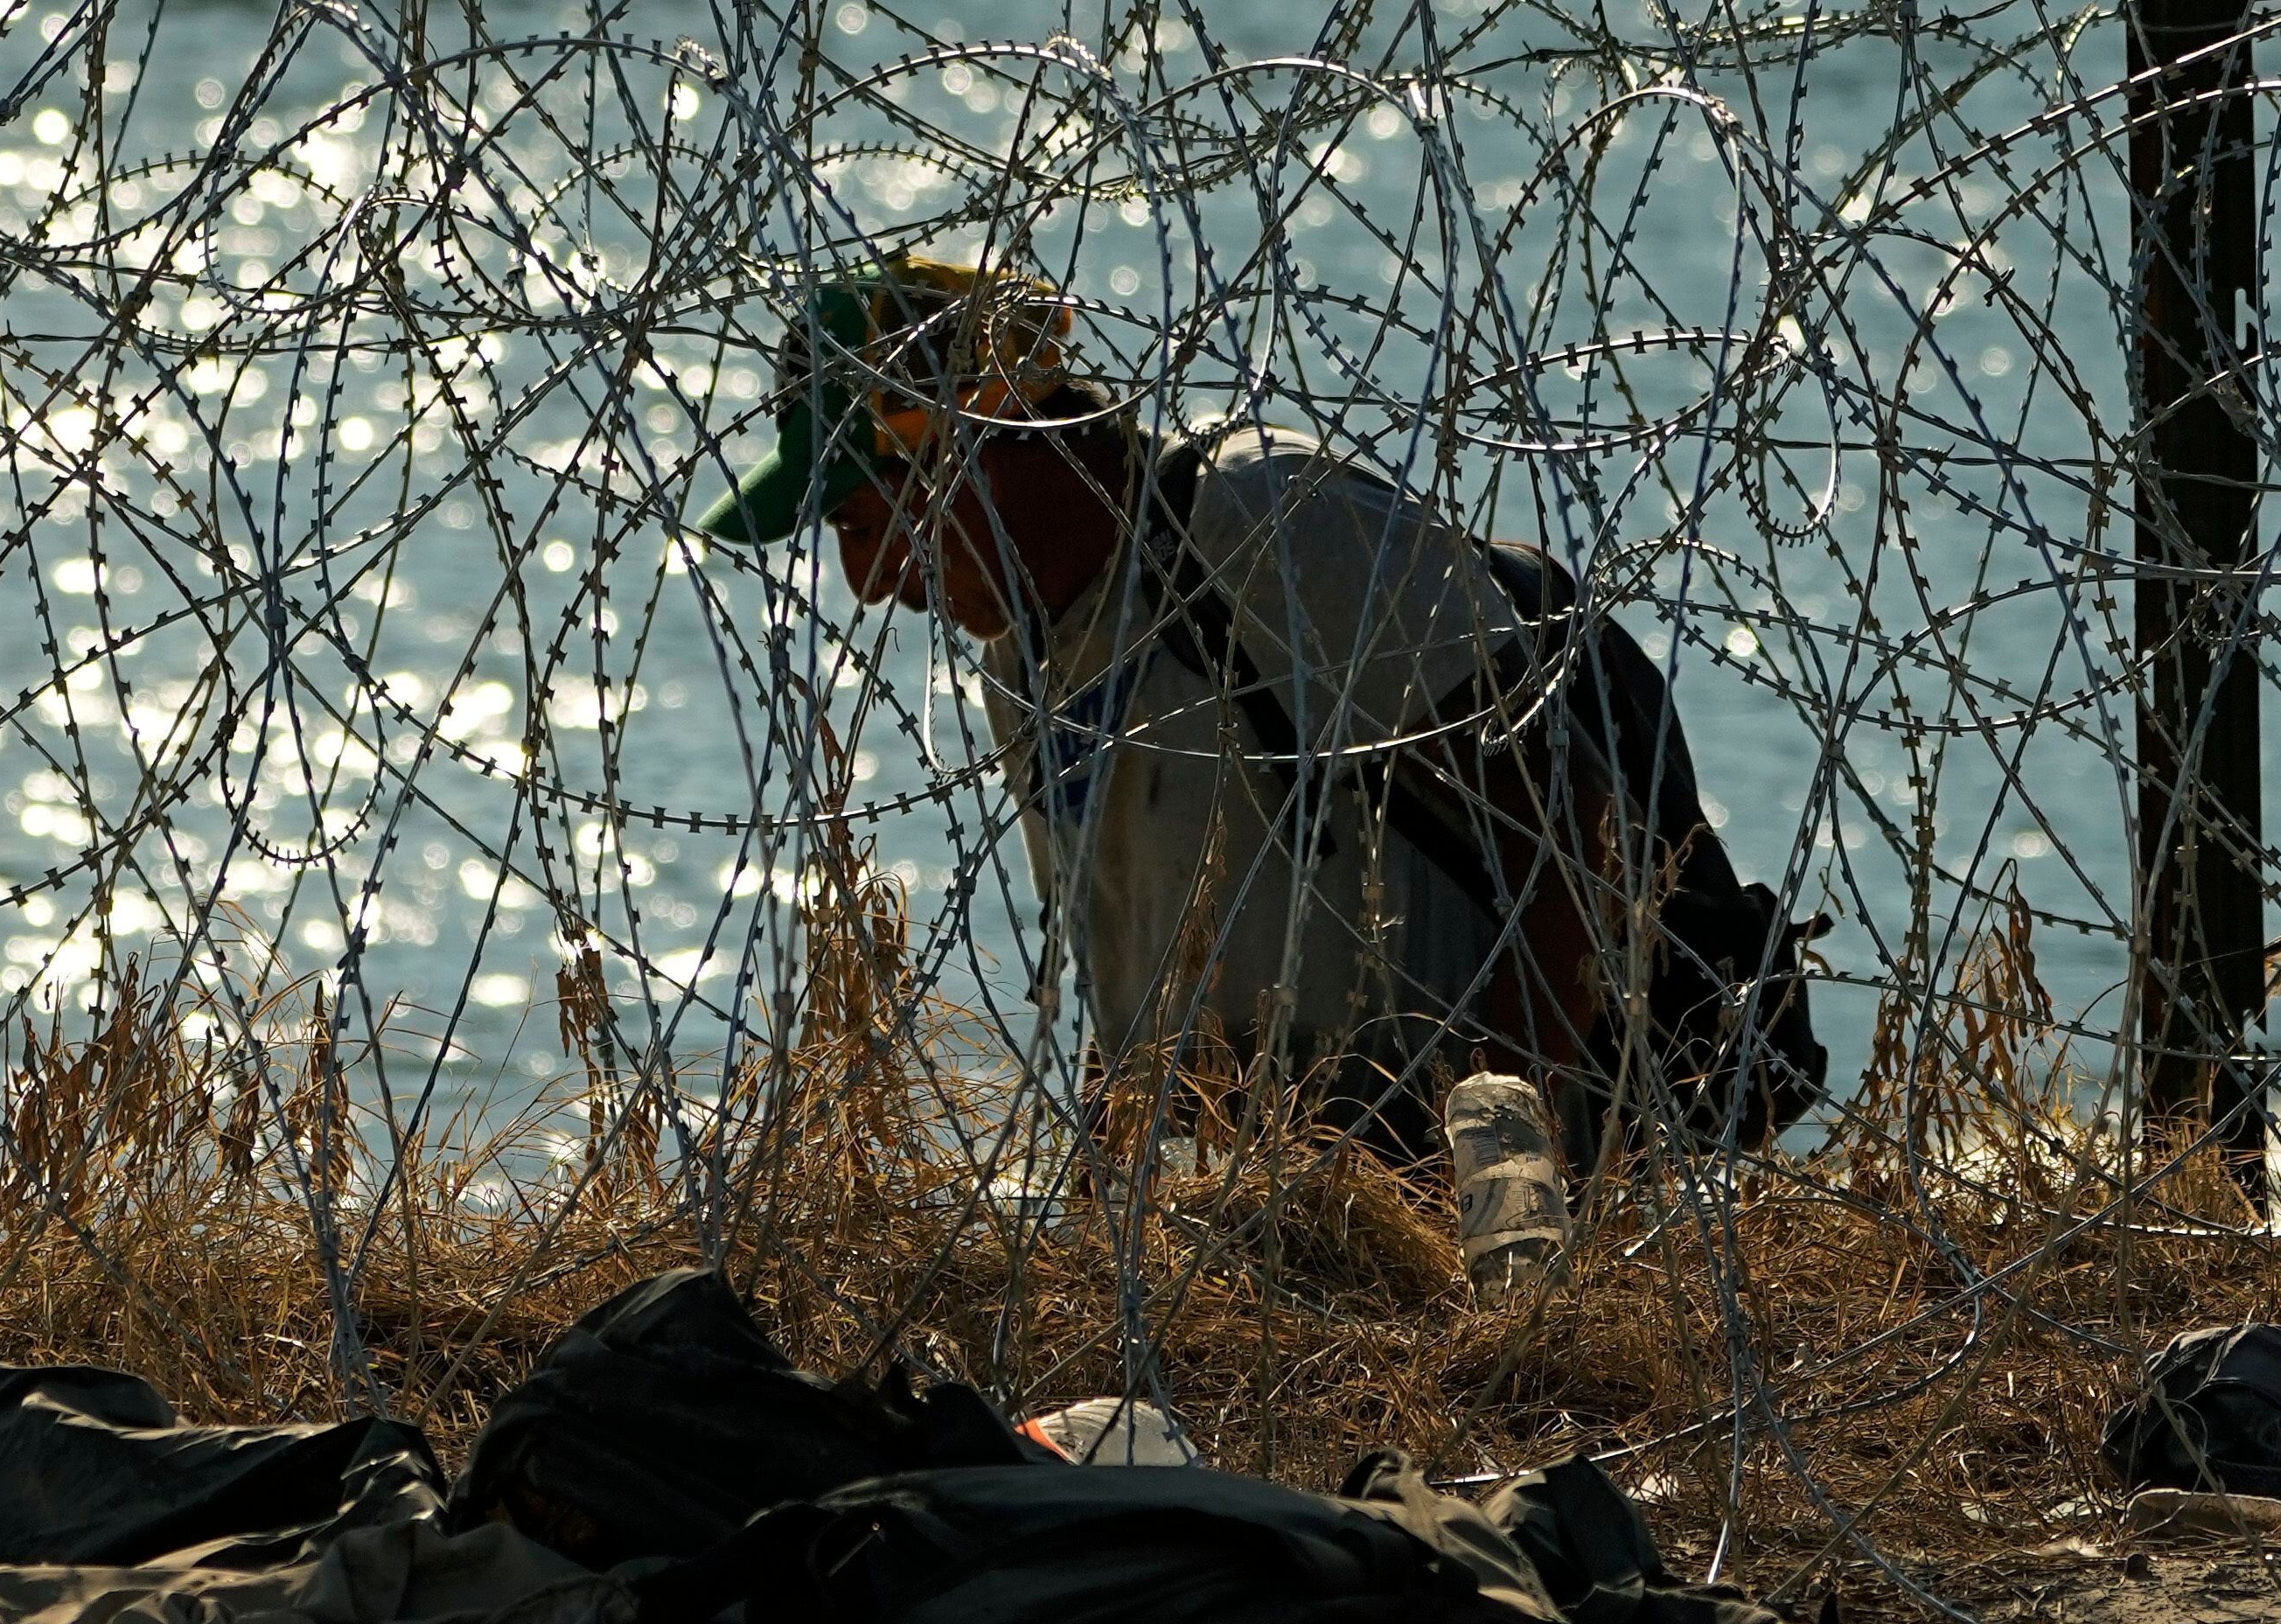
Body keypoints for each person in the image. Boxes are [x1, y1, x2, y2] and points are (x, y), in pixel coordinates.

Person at [690, 254, 1825, 1158]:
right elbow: (1146, 996)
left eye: (862, 520)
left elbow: (1579, 840)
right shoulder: (1026, 669)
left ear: (981, 445)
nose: (871, 584)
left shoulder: (1272, 529)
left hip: (1478, 1170)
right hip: (1285, 1209)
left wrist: (1478, 1155)